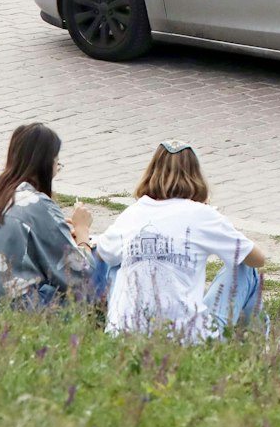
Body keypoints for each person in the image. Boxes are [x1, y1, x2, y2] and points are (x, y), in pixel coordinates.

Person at [94, 141, 266, 339]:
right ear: (196, 175)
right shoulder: (202, 214)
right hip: (186, 338)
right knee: (245, 267)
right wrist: (216, 222)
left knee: (116, 263)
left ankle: (119, 322)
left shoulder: (133, 213)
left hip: (125, 336)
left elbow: (102, 252)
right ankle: (260, 345)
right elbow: (258, 258)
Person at [0, 122, 95, 305]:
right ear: (47, 164)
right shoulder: (38, 204)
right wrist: (82, 232)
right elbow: (81, 276)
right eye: (57, 163)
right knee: (82, 282)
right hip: (9, 310)